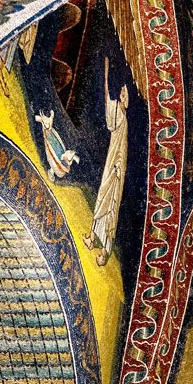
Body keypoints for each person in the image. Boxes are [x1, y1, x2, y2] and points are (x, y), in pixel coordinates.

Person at [85, 56, 129, 267]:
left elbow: (109, 114)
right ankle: (92, 237)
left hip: (114, 170)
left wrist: (105, 77)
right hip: (112, 166)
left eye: (123, 93)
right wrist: (104, 74)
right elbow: (108, 101)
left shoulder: (121, 118)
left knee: (108, 202)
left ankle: (102, 247)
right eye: (121, 92)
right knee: (104, 198)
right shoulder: (119, 116)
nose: (120, 95)